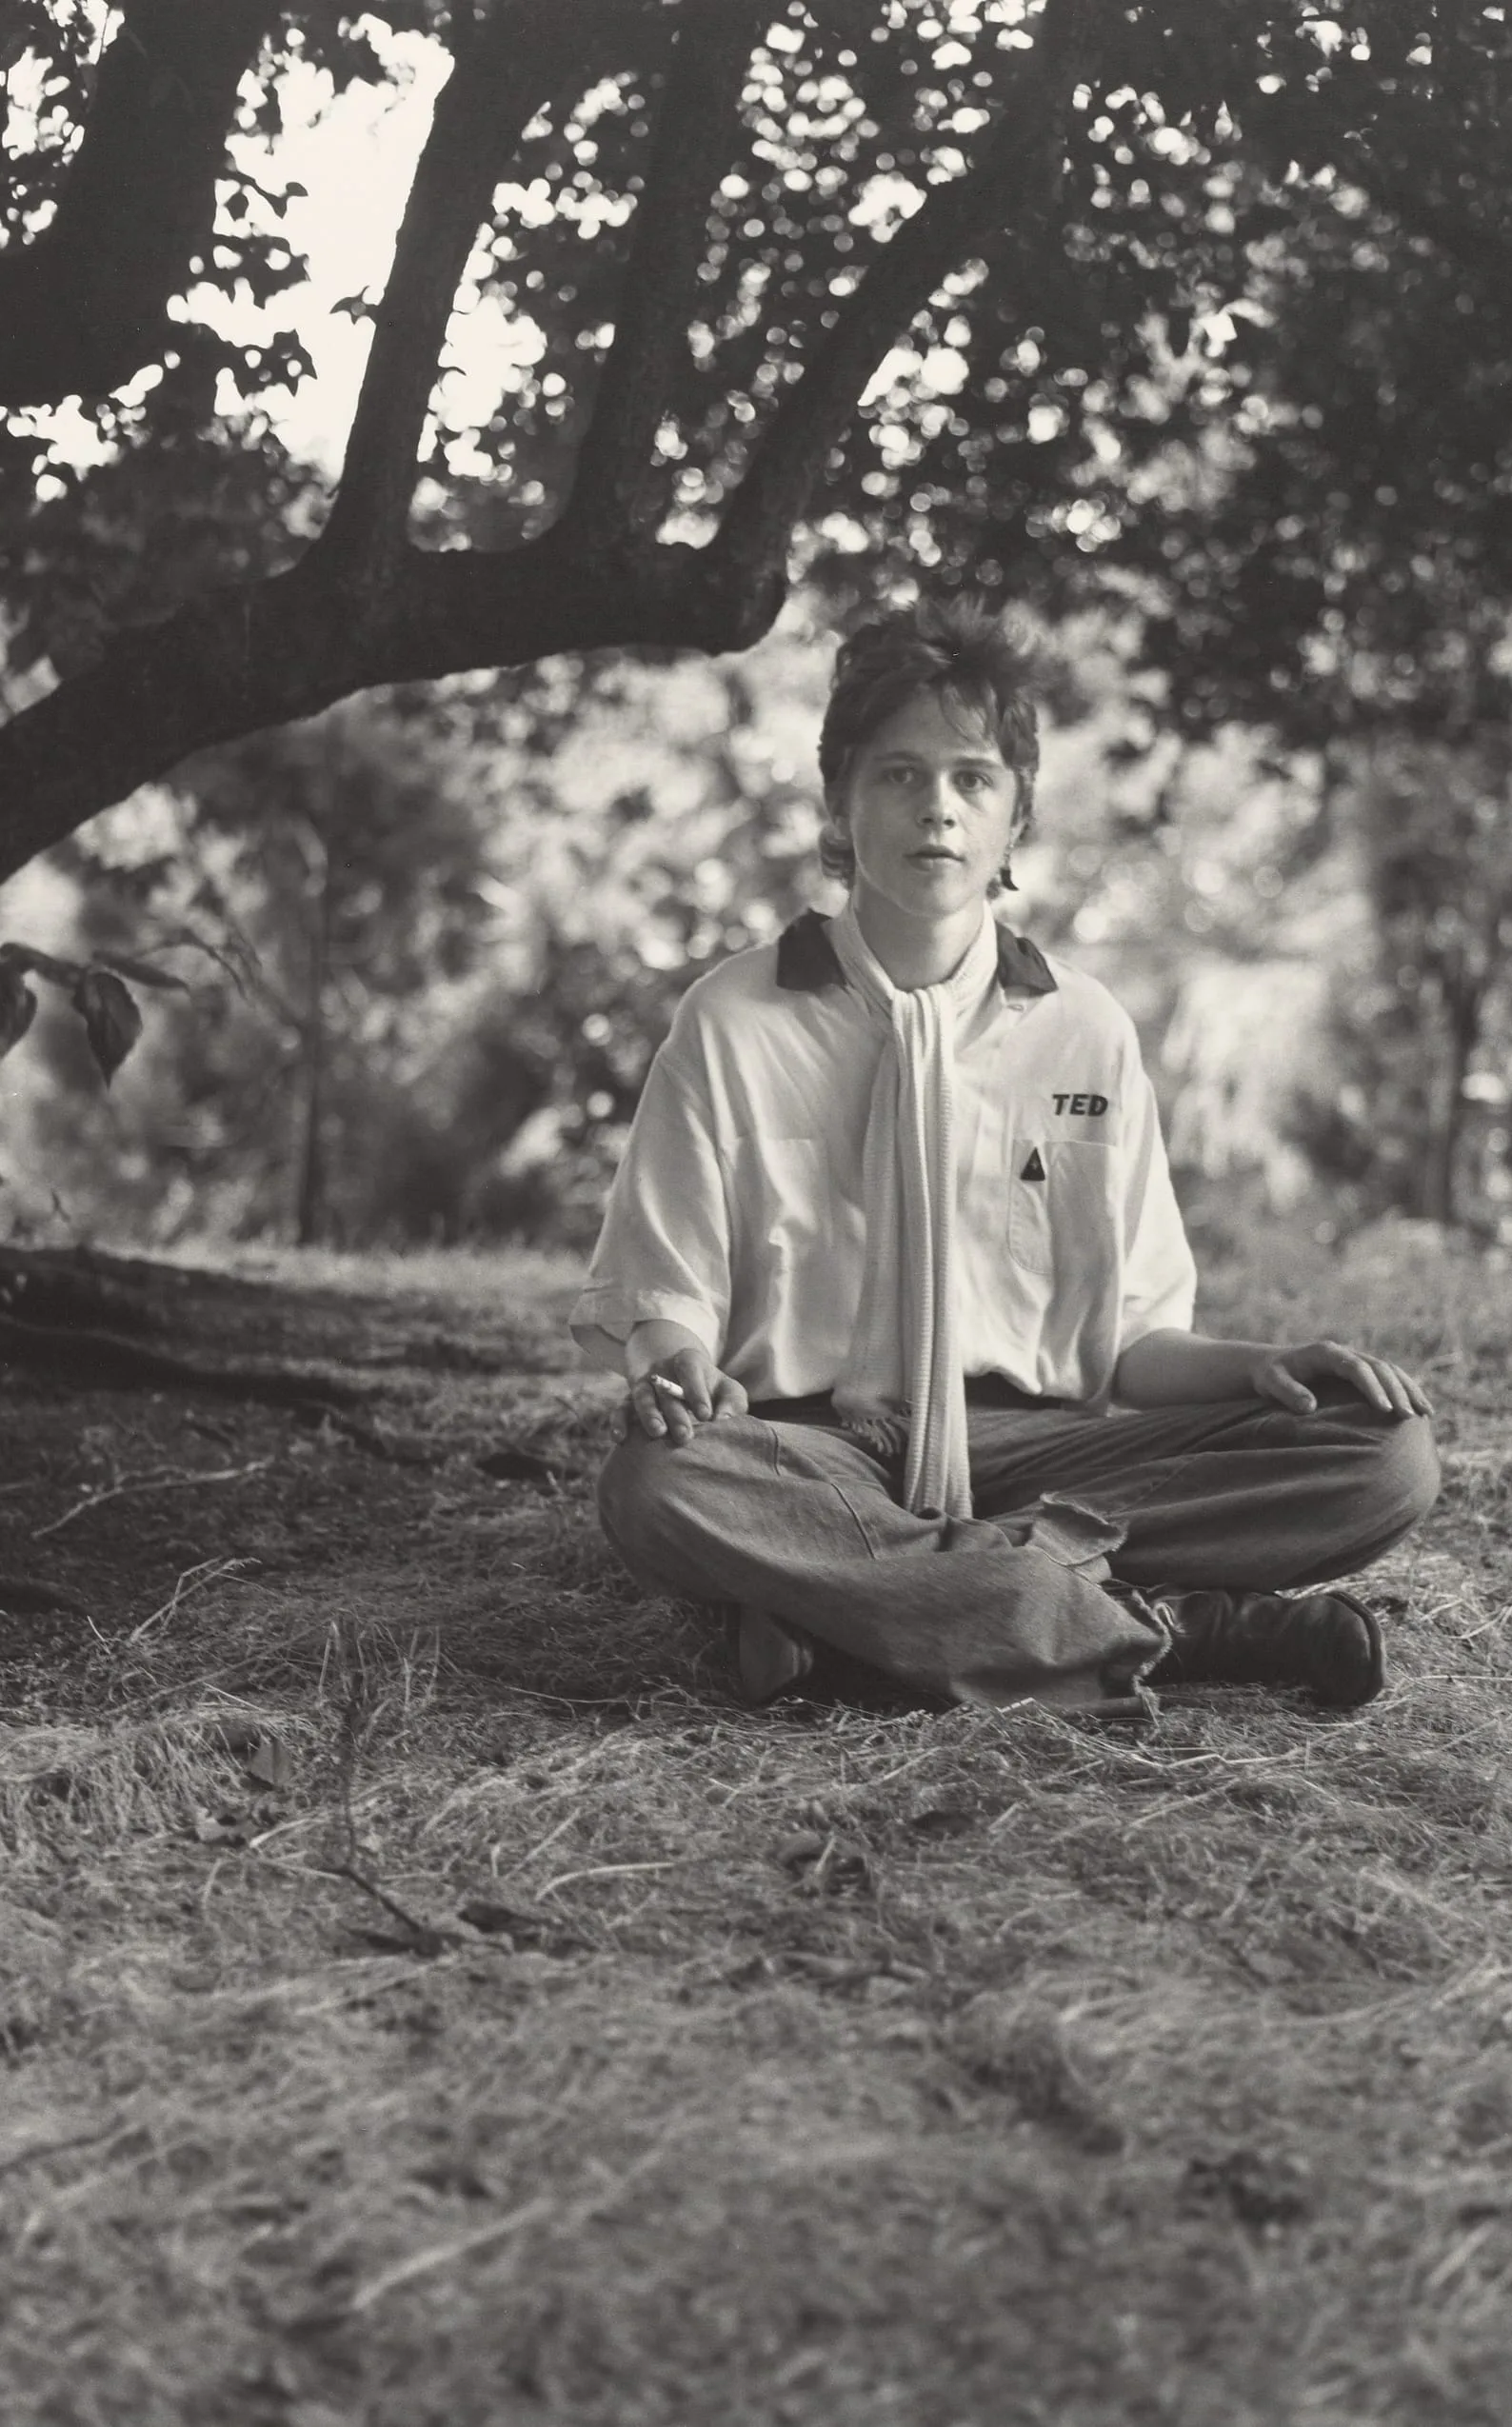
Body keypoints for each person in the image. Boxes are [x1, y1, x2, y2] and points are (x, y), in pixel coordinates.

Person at [572, 600, 1439, 1712]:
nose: (936, 806)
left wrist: (1264, 1362)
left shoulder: (1083, 1028)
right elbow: (667, 1294)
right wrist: (674, 1361)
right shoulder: (734, 1017)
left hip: (1039, 1448)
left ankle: (862, 1618)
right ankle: (1163, 1629)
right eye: (898, 774)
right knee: (659, 1482)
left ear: (1016, 813)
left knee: (1383, 1454)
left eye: (972, 778)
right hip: (810, 1454)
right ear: (839, 799)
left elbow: (1132, 1343)